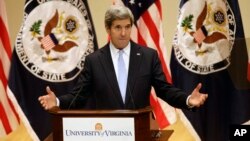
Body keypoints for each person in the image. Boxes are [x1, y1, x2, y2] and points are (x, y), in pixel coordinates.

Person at [38, 5, 208, 111]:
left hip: (140, 129)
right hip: (106, 133)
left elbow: (165, 90)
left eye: (127, 27)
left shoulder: (148, 56)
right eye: (118, 27)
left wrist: (187, 100)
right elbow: (78, 97)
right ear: (108, 29)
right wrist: (58, 101)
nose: (124, 33)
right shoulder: (94, 61)